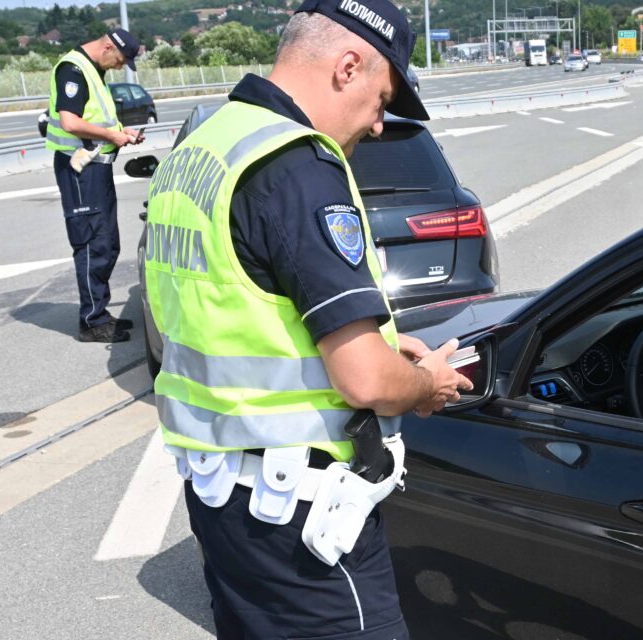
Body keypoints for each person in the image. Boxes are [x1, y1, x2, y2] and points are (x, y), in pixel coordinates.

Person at [144, 0, 471, 637]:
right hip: (300, 515)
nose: (379, 126)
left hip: (221, 499)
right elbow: (367, 383)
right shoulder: (298, 165)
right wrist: (425, 383)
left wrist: (380, 338)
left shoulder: (204, 147)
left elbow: (237, 302)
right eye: (382, 100)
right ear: (348, 66)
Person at [45, 28, 144, 343]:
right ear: (107, 46)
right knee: (92, 244)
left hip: (96, 169)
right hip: (79, 171)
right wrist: (113, 137)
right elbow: (70, 122)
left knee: (107, 242)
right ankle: (91, 322)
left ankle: (99, 313)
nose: (119, 67)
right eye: (120, 60)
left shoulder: (92, 70)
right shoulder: (73, 69)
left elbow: (93, 121)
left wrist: (120, 131)